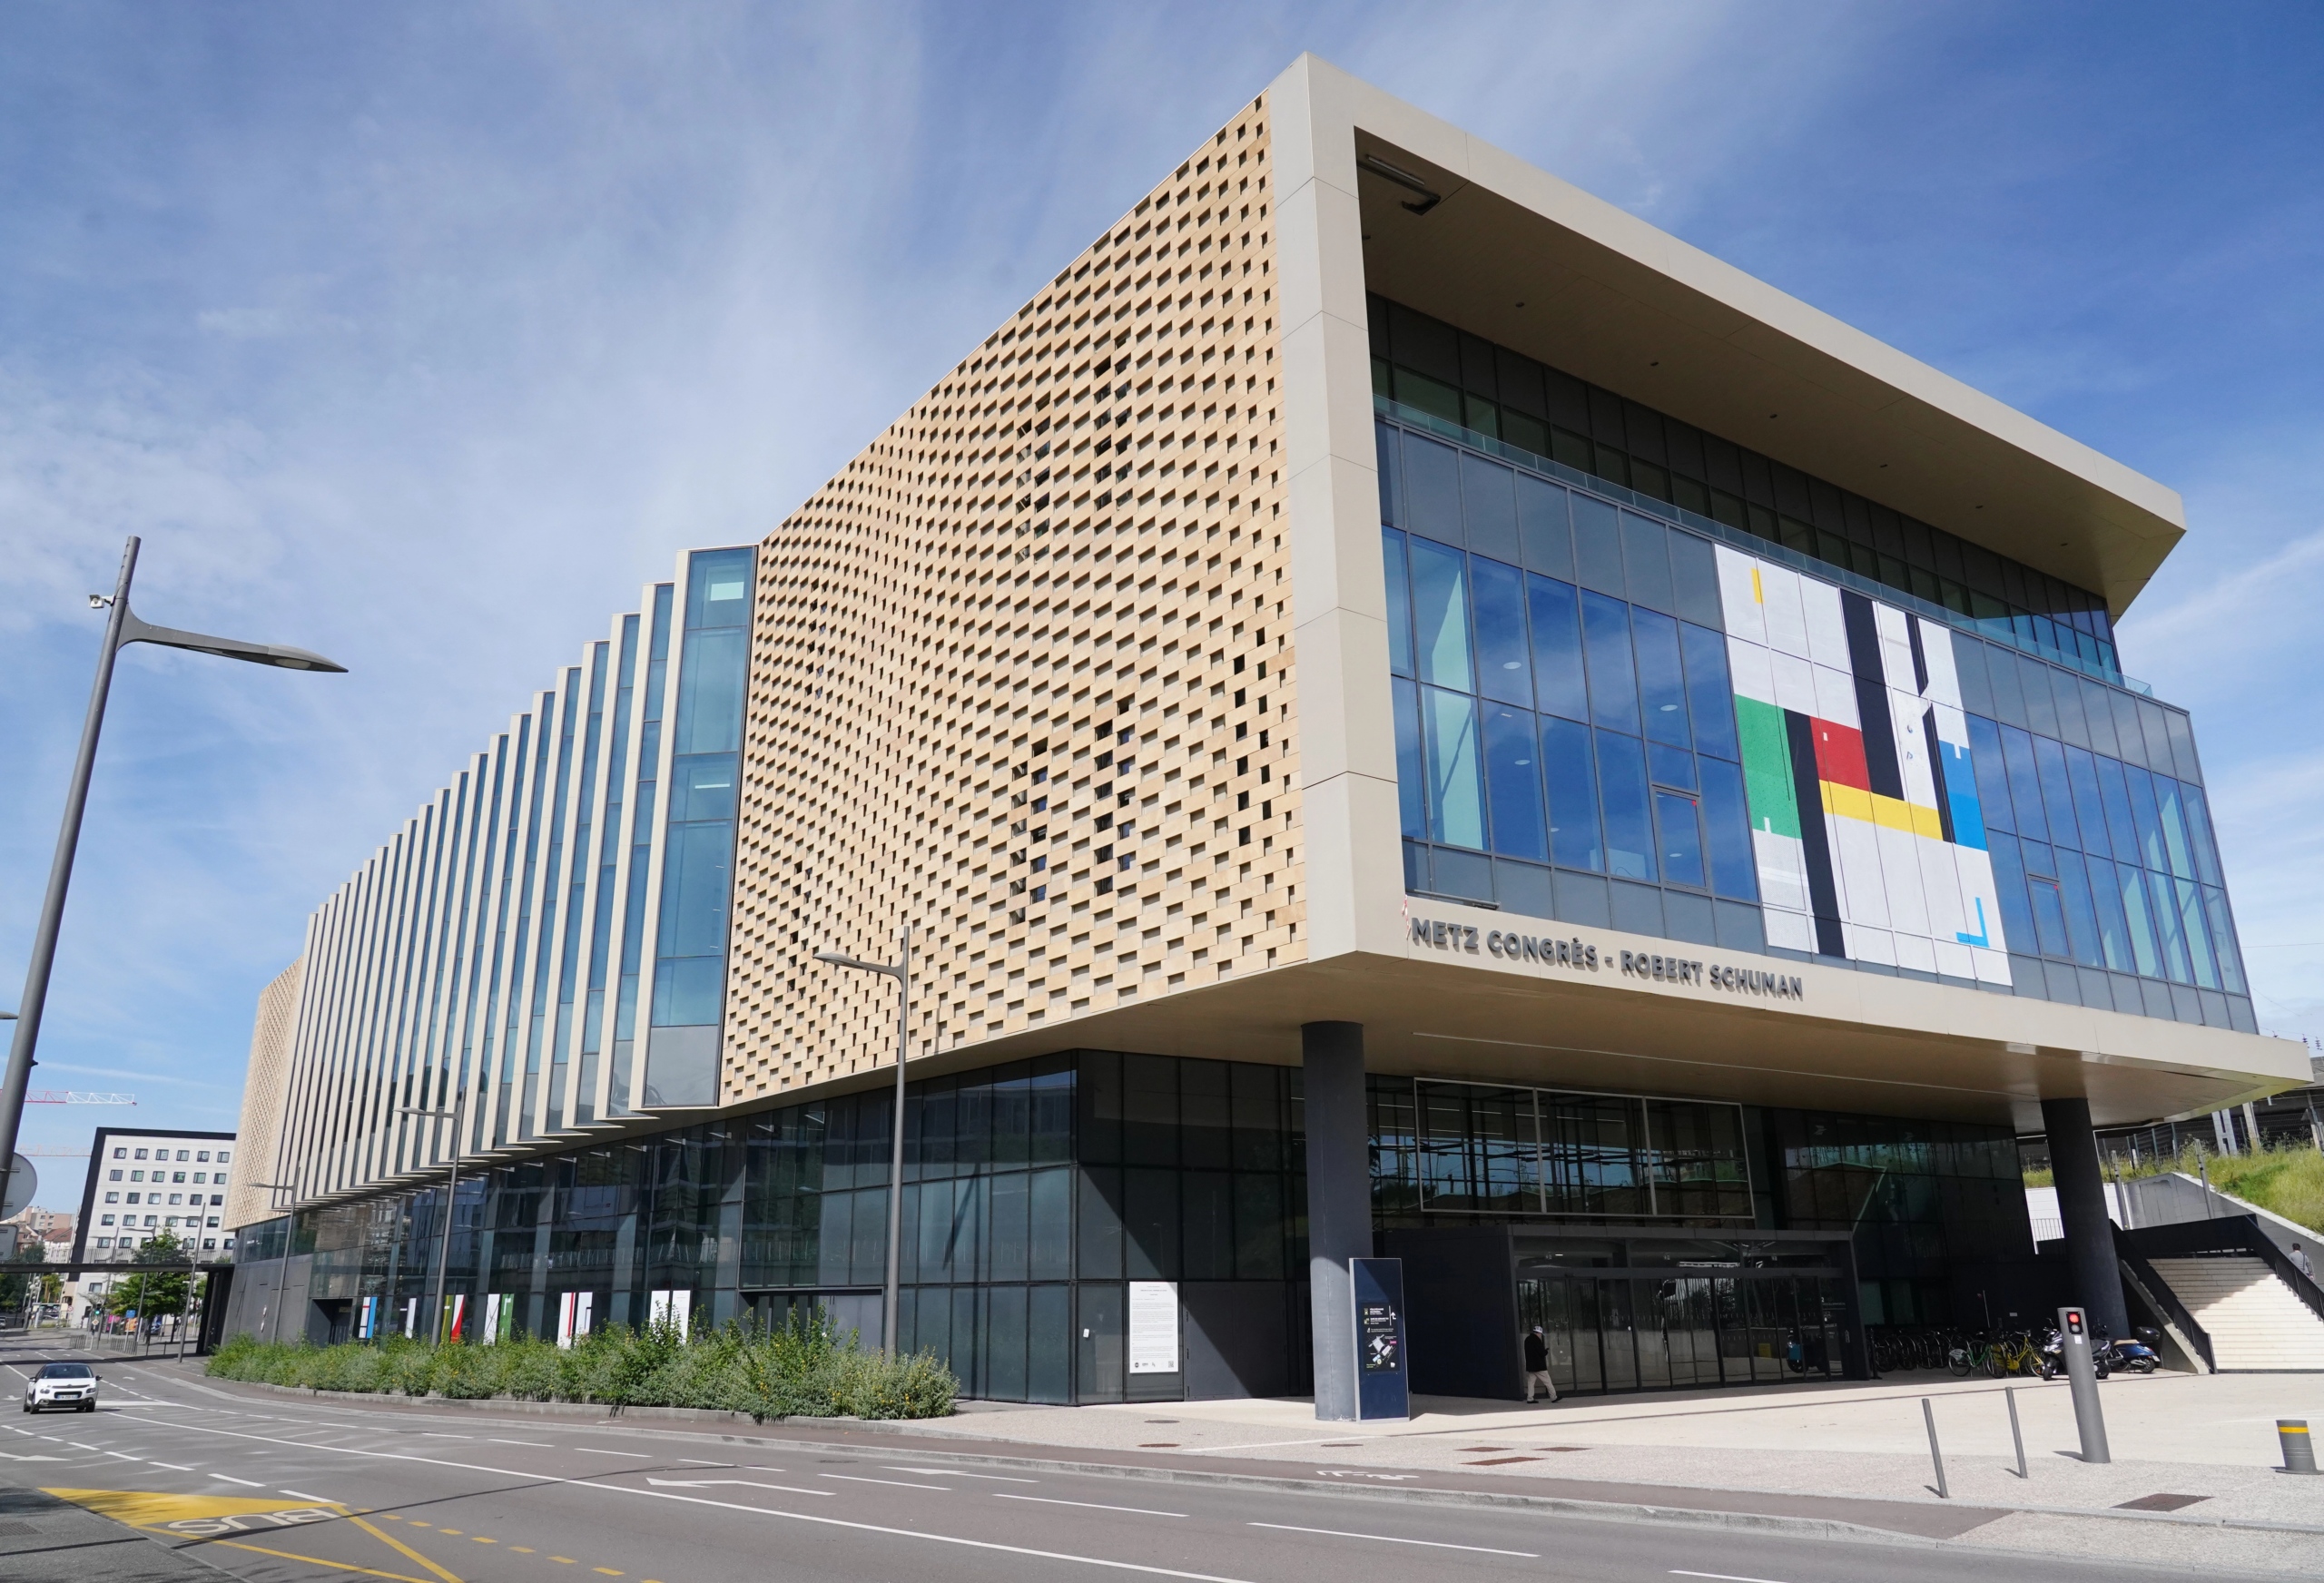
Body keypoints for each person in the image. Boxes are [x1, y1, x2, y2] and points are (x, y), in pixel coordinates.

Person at [1522, 1325, 1560, 1403]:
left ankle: (1530, 1398)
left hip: (1531, 1366)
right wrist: (1546, 1351)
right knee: (1547, 1381)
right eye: (1540, 1334)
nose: (1540, 1335)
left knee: (1531, 1383)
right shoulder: (1537, 1341)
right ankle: (1553, 1397)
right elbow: (1541, 1353)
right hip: (1539, 1366)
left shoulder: (1527, 1340)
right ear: (1538, 1333)